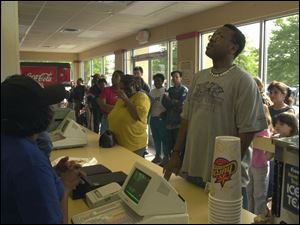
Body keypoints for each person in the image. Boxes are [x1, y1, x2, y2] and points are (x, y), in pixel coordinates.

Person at [163, 24, 268, 209]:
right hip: (192, 169)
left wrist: (225, 175)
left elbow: (247, 131)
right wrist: (176, 154)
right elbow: (186, 118)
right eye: (212, 35)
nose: (212, 38)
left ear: (233, 48)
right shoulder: (199, 77)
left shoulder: (243, 81)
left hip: (223, 178)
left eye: (219, 36)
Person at [1, 75, 86, 224]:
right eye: (46, 105)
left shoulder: (10, 142)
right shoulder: (31, 163)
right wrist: (65, 187)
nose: (52, 109)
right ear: (33, 114)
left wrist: (53, 174)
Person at [108, 75, 151, 157]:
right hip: (119, 144)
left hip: (134, 145)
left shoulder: (141, 97)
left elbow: (137, 116)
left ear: (134, 86)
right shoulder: (122, 98)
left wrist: (126, 99)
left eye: (125, 88)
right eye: (121, 88)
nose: (123, 91)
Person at [266, 80, 295, 200]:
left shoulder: (289, 111)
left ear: (284, 94)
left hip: (282, 148)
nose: (272, 95)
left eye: (275, 92)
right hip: (268, 146)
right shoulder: (267, 109)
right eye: (271, 92)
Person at [247, 104, 274, 216]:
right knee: (250, 194)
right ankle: (250, 215)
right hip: (250, 164)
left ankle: (260, 218)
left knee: (259, 195)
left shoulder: (264, 128)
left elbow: (263, 143)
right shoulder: (250, 125)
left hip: (260, 166)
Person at [161, 70, 188, 166]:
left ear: (181, 78)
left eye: (177, 77)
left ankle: (179, 164)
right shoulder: (170, 90)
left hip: (179, 122)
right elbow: (164, 103)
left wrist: (170, 100)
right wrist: (172, 102)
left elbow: (181, 105)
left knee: (179, 144)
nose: (174, 79)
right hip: (169, 121)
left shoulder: (184, 90)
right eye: (173, 77)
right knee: (169, 143)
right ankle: (169, 161)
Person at [149, 73, 168, 164]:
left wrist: (165, 114)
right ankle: (157, 156)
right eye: (155, 81)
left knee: (164, 138)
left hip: (162, 119)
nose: (157, 82)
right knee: (156, 138)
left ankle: (166, 157)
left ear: (163, 81)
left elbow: (168, 106)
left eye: (159, 81)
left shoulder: (166, 91)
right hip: (153, 118)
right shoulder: (151, 92)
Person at [97, 70, 124, 135]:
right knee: (105, 141)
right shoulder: (106, 90)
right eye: (112, 76)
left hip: (119, 120)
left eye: (116, 76)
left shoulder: (124, 92)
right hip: (107, 120)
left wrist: (109, 107)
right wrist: (119, 109)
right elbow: (103, 106)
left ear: (121, 79)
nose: (113, 78)